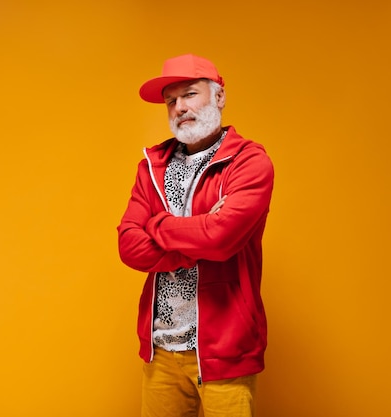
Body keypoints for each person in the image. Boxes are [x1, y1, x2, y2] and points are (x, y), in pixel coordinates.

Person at [117, 53, 274, 417]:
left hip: (224, 352)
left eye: (189, 94)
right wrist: (196, 237)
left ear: (218, 97)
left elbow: (220, 239)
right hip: (161, 350)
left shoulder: (249, 163)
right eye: (171, 101)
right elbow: (128, 246)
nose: (179, 108)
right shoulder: (152, 166)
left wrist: (156, 225)